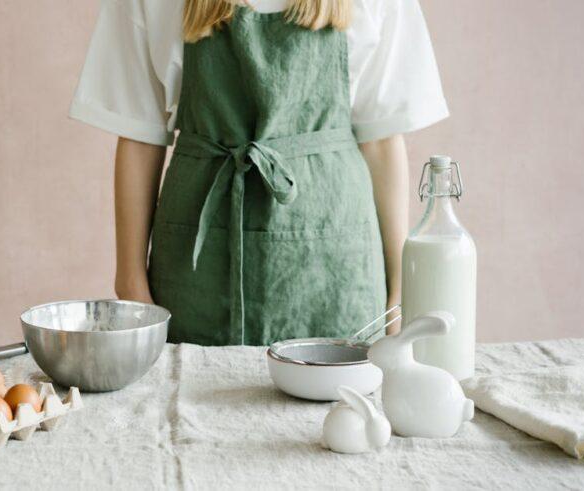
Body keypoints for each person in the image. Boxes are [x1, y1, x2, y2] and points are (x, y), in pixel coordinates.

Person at [70, 0, 448, 345]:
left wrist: (402, 285)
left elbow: (382, 143)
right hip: (196, 274)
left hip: (336, 270)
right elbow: (140, 138)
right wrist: (131, 281)